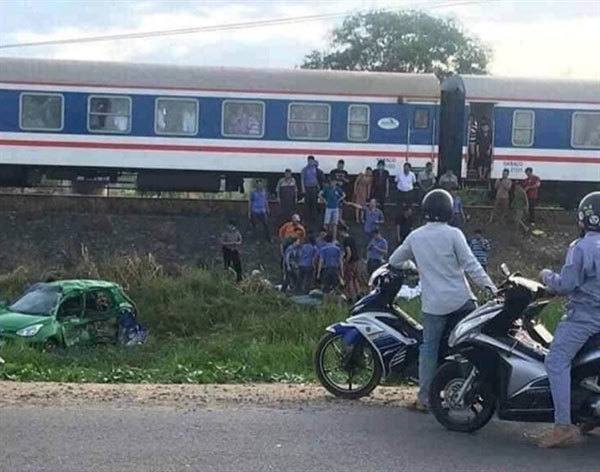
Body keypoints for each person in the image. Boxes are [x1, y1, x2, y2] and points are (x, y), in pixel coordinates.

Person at [389, 189, 497, 412]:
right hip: (461, 302)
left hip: (433, 306)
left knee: (428, 349)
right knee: (472, 348)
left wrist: (414, 267)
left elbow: (394, 260)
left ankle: (424, 398)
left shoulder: (416, 236)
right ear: (449, 211)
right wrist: (492, 288)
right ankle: (478, 392)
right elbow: (471, 265)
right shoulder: (454, 234)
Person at [537, 192, 600, 448]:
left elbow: (566, 284)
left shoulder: (582, 247)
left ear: (585, 219)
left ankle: (563, 424)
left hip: (584, 317)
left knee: (556, 361)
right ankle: (590, 416)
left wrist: (545, 276)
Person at [339, 227, 360, 303]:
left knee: (349, 280)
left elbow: (349, 252)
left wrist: (346, 261)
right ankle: (358, 295)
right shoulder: (352, 238)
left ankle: (351, 297)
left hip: (351, 261)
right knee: (355, 279)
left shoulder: (346, 240)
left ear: (342, 231)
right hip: (357, 260)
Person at [301, 155, 320, 223]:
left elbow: (316, 178)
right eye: (309, 161)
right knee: (307, 204)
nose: (310, 162)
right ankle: (306, 218)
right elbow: (302, 179)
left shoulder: (315, 169)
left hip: (314, 187)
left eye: (312, 161)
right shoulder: (304, 169)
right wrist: (303, 188)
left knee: (314, 203)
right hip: (308, 188)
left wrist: (318, 186)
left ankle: (313, 218)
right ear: (308, 161)